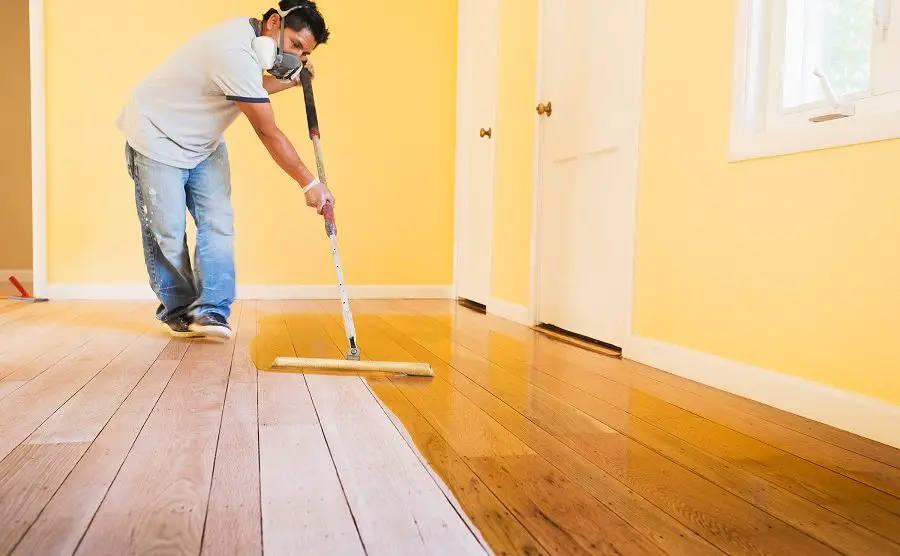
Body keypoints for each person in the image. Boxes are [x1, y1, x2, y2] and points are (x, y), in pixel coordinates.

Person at [117, 0, 332, 339]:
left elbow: (249, 85)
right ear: (274, 24)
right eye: (295, 46)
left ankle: (212, 312)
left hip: (203, 141)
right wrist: (310, 183)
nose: (296, 58)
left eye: (303, 55)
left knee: (218, 223)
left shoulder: (248, 49)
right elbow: (268, 131)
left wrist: (293, 82)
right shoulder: (232, 50)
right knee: (168, 233)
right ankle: (179, 310)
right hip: (157, 135)